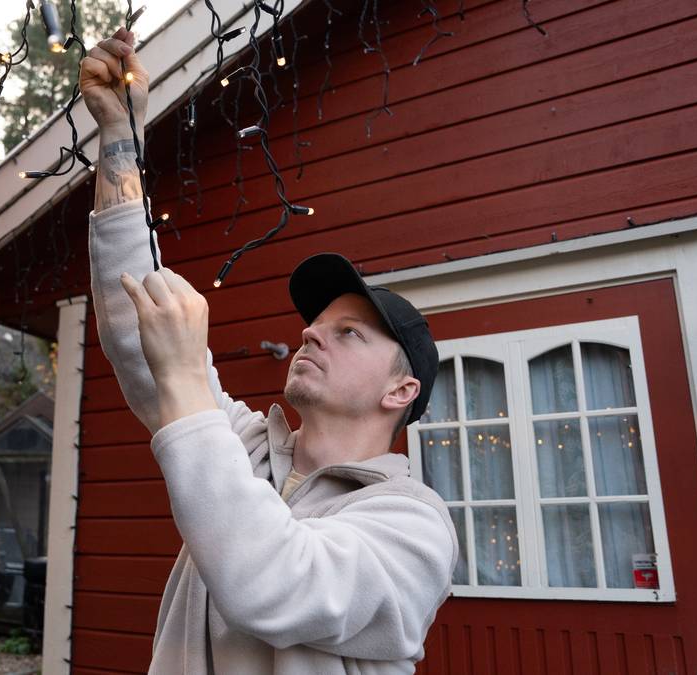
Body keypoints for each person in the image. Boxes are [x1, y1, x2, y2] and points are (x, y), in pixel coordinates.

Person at [80, 27, 459, 674]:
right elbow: (140, 329)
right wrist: (122, 141)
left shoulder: (415, 526)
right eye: (318, 322)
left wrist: (185, 380)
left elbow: (273, 579)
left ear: (401, 390)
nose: (311, 332)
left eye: (349, 333)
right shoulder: (243, 445)